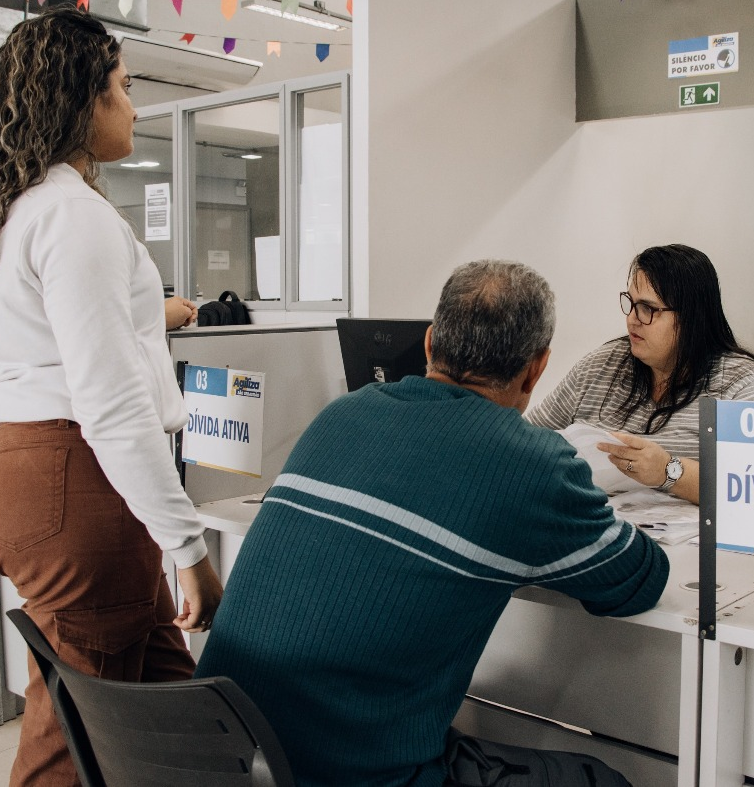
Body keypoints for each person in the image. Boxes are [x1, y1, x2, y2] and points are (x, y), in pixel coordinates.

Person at [196, 260, 669, 787]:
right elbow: (638, 581)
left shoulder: (341, 415)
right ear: (537, 369)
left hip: (215, 756)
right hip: (355, 775)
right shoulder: (531, 464)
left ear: (428, 345)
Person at [0, 5, 222, 787]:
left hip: (19, 470)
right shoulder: (75, 215)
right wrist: (190, 550)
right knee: (69, 736)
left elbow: (1, 358)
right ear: (83, 99)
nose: (135, 106)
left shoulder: (7, 212)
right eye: (125, 88)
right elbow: (110, 404)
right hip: (78, 485)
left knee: (174, 704)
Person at [527, 244, 754, 503]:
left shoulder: (740, 384)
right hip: (599, 530)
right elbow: (525, 437)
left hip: (689, 542)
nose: (632, 319)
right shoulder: (602, 365)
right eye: (631, 303)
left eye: (648, 309)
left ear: (691, 318)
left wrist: (668, 472)